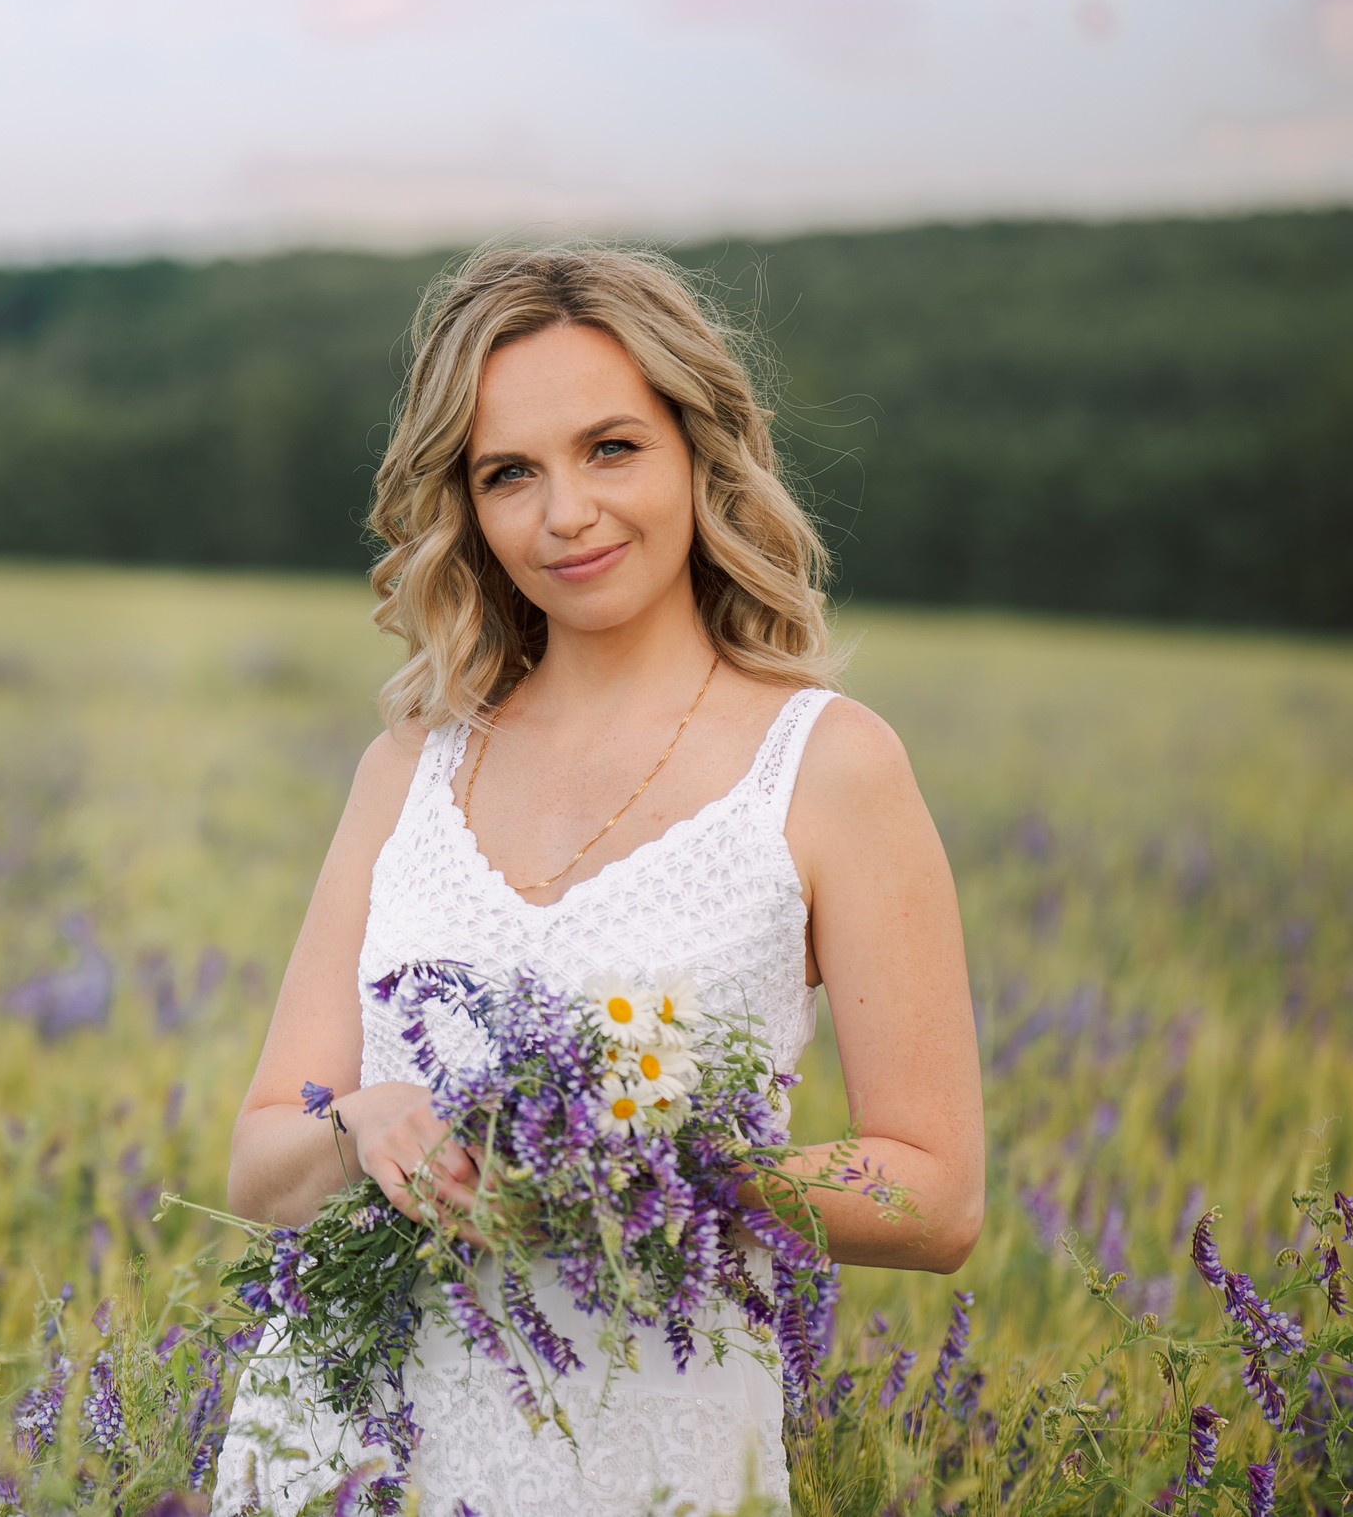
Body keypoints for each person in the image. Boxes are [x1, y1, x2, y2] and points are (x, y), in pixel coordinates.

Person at [211, 246, 985, 1516]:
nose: (564, 511)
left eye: (610, 446)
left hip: (642, 1449)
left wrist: (651, 1174)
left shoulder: (829, 765)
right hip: (338, 1442)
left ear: (698, 449)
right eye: (508, 471)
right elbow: (257, 1161)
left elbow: (936, 1192)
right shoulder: (408, 763)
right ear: (464, 503)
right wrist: (364, 1124)